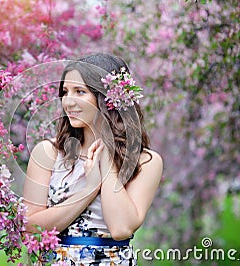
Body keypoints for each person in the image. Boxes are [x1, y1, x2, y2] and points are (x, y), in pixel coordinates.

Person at [23, 53, 163, 265]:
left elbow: (121, 228)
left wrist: (107, 162)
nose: (68, 101)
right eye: (65, 92)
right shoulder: (48, 153)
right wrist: (89, 188)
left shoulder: (146, 161)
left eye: (80, 92)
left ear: (107, 99)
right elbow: (32, 226)